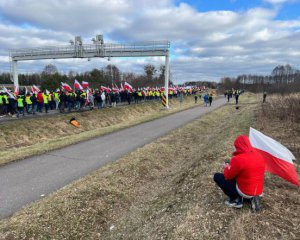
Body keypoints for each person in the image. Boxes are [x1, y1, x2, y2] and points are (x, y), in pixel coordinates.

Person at [213, 135, 266, 211]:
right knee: (245, 177)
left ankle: (235, 200)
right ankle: (252, 199)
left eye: (236, 146)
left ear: (239, 146)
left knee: (217, 176)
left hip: (245, 192)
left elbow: (228, 176)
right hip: (258, 190)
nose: (235, 148)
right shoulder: (259, 155)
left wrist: (227, 168)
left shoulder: (238, 159)